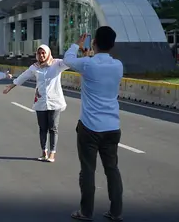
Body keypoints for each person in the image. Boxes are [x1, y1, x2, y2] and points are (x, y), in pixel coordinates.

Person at [63, 26, 124, 221]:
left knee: (88, 170)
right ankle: (116, 212)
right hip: (112, 126)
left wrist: (77, 45)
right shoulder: (118, 65)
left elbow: (67, 60)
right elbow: (96, 63)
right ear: (112, 45)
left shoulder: (88, 64)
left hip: (90, 127)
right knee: (112, 170)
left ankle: (86, 212)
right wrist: (89, 54)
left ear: (94, 42)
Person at [3, 44, 69, 163]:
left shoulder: (57, 64)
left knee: (53, 128)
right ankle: (44, 151)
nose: (41, 55)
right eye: (39, 53)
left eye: (43, 53)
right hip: (41, 101)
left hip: (55, 101)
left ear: (48, 53)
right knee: (42, 128)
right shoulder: (35, 67)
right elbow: (24, 76)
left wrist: (81, 52)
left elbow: (71, 62)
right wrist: (12, 86)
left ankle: (52, 153)